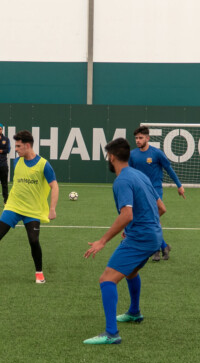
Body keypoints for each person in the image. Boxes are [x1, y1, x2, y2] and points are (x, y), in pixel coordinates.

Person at [83, 138, 166, 345]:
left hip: (141, 238)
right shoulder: (140, 175)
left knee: (107, 279)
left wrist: (102, 241)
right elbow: (161, 208)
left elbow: (127, 215)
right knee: (131, 271)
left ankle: (111, 333)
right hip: (154, 236)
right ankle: (134, 312)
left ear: (111, 157)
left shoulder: (121, 181)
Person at [0, 130, 59, 284]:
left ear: (27, 145)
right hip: (13, 207)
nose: (15, 149)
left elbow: (54, 187)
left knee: (34, 241)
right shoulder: (17, 162)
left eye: (18, 146)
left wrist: (52, 209)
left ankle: (39, 273)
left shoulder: (44, 165)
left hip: (33, 210)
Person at [129, 125, 185, 261]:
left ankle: (156, 251)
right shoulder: (132, 155)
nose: (138, 140)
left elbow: (169, 169)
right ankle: (163, 246)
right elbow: (129, 174)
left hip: (155, 191)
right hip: (139, 191)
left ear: (147, 138)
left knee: (152, 219)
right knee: (152, 220)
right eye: (136, 138)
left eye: (140, 138)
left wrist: (179, 185)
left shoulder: (157, 153)